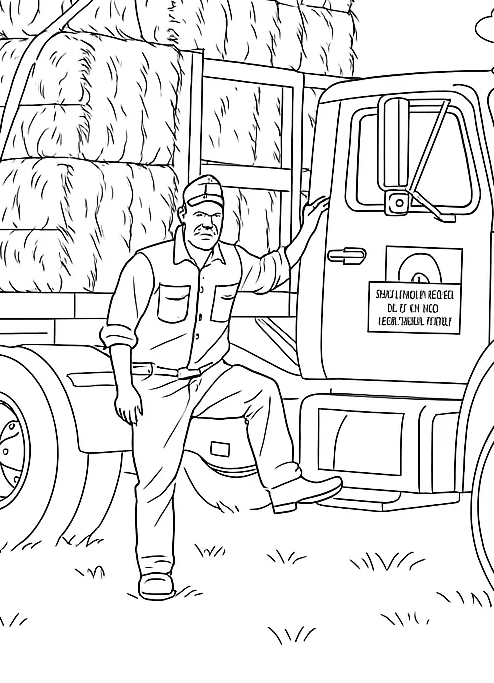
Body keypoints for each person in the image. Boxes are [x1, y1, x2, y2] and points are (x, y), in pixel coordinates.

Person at [101, 175, 342, 601]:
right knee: (157, 477)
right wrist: (125, 387)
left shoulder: (230, 262)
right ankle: (155, 569)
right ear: (182, 217)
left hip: (212, 375)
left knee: (262, 391)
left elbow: (274, 270)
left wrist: (309, 227)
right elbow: (119, 330)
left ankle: (284, 482)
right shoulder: (150, 264)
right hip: (158, 380)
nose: (207, 222)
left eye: (215, 215)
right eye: (199, 214)